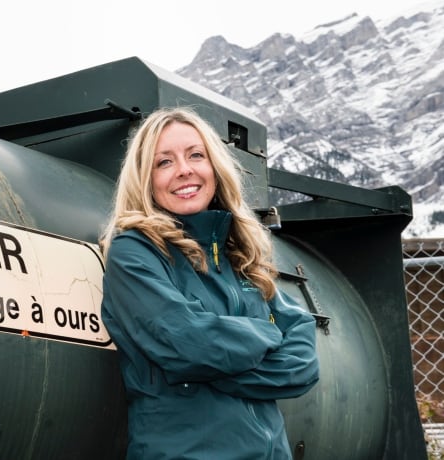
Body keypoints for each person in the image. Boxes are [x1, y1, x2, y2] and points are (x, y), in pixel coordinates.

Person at [100, 107, 319, 459]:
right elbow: (190, 344)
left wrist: (212, 369)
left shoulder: (240, 254)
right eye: (164, 162)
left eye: (195, 155)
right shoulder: (136, 251)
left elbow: (303, 364)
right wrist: (266, 333)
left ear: (214, 167)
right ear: (146, 178)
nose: (184, 170)